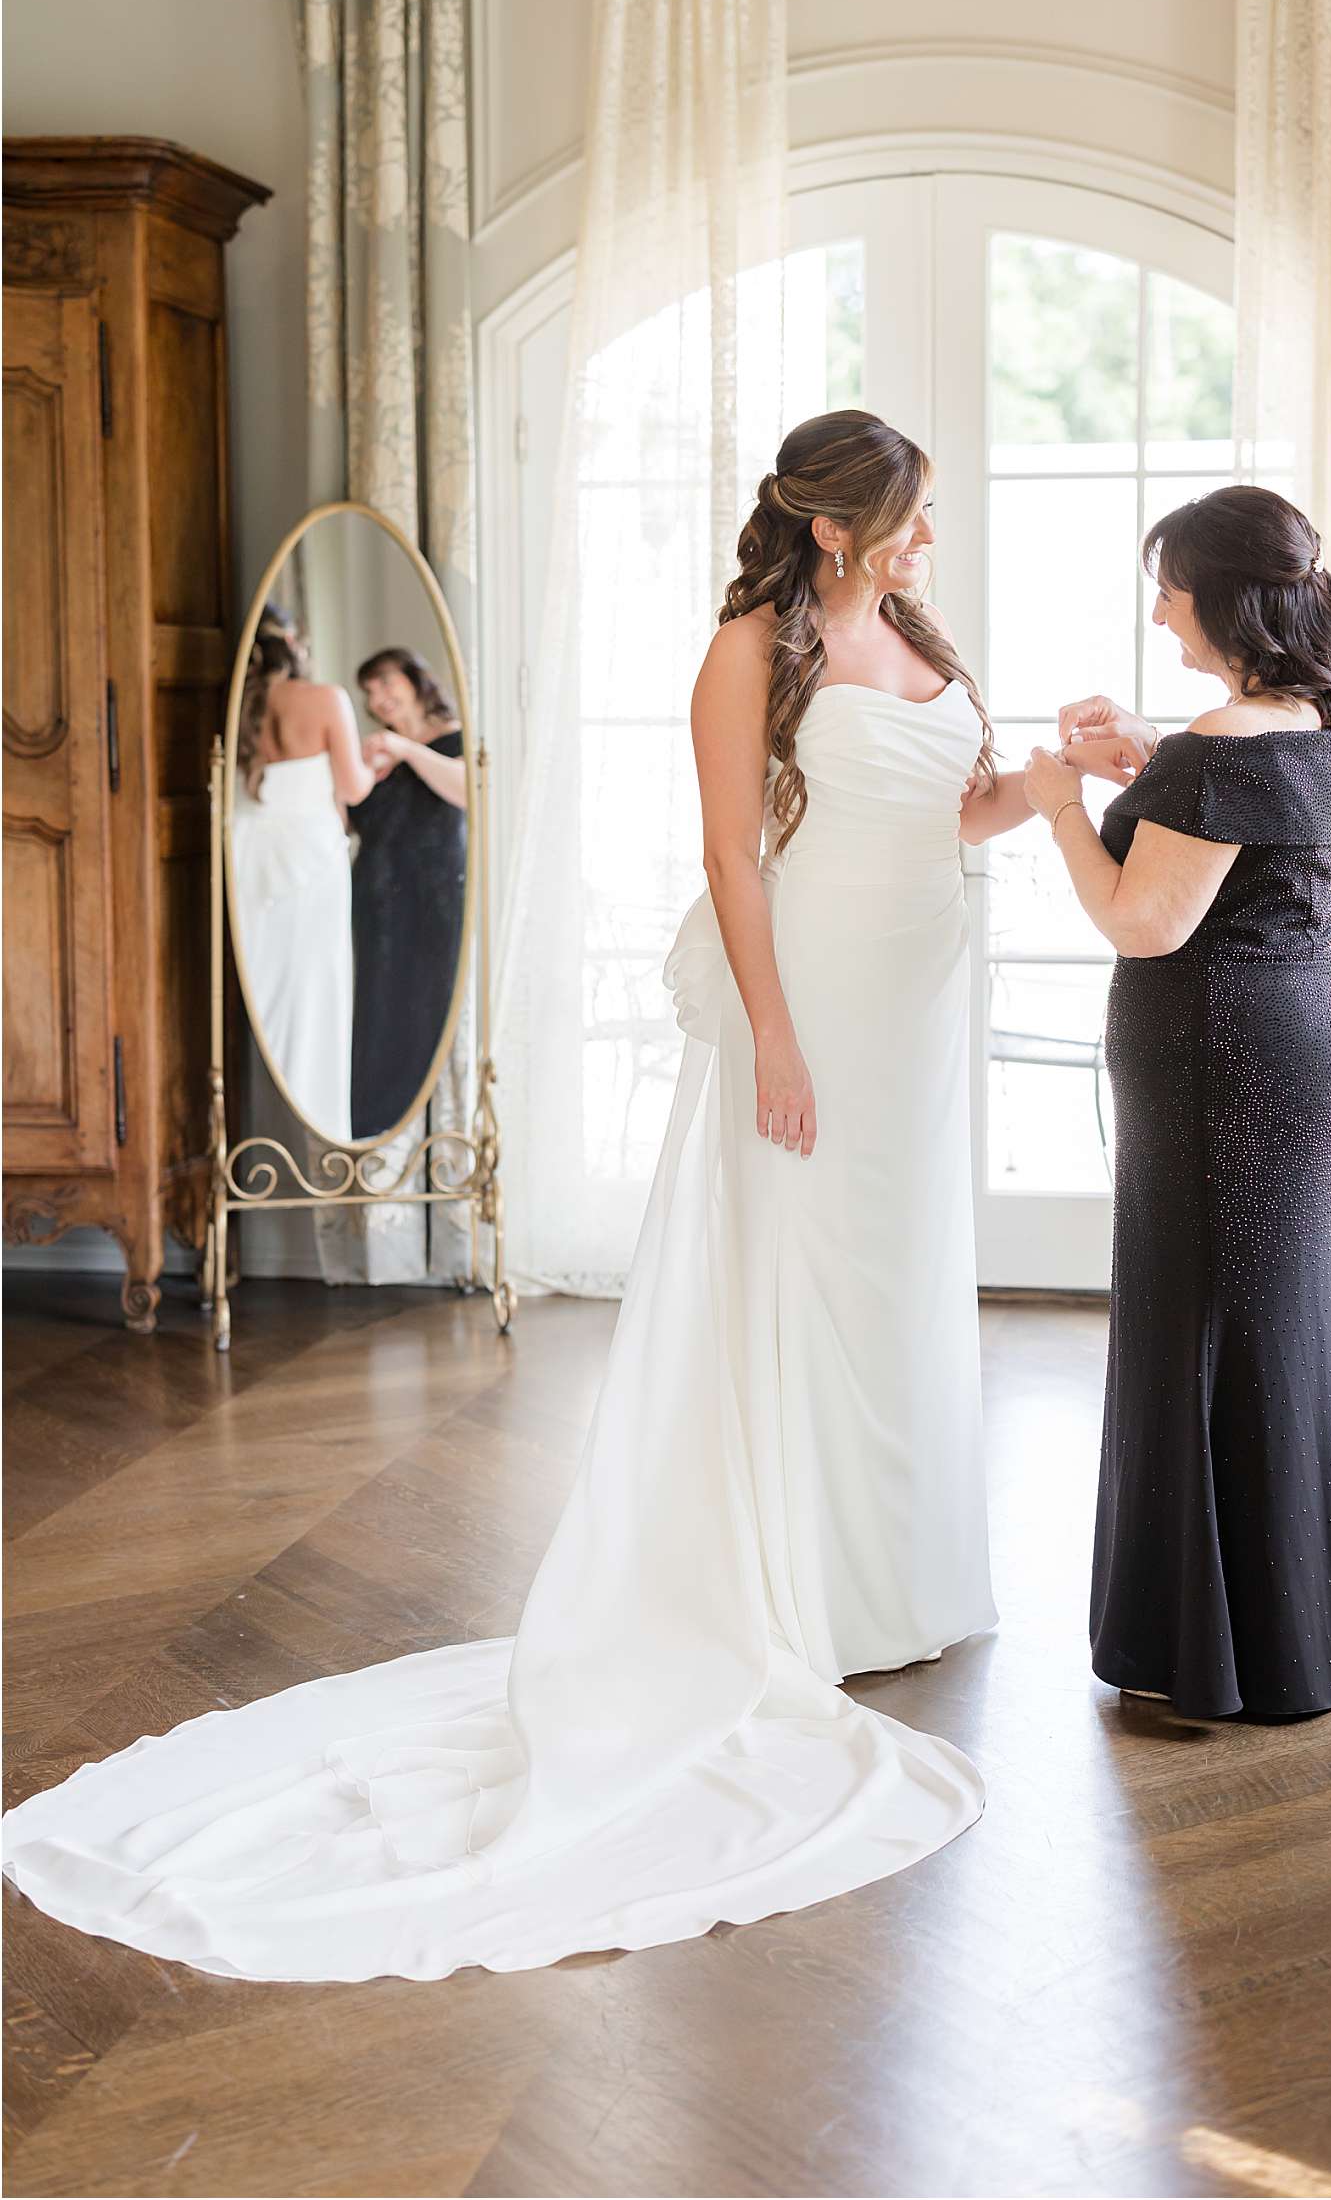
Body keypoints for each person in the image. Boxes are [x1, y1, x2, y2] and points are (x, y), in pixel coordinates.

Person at [1, 410, 1094, 1984]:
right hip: (817, 1002)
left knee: (899, 1275)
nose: (937, 538)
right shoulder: (746, 650)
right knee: (802, 1279)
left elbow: (959, 804)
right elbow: (731, 856)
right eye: (914, 517)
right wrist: (773, 1035)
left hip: (920, 1001)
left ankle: (896, 1572)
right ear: (840, 528)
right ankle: (794, 1592)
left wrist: (1053, 778)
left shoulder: (915, 626)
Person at [1022, 484, 1331, 1720]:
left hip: (1223, 1063)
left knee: (1202, 1326)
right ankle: (1302, 1634)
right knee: (1278, 1322)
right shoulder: (1316, 717)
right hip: (1307, 1037)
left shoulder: (1220, 742)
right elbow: (1234, 811)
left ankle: (1215, 1654)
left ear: (1223, 598)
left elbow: (1143, 921)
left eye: (1169, 591)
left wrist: (1059, 808)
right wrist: (1149, 751)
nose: (1155, 611)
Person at [229, 607, 373, 1145]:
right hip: (310, 860)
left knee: (262, 983)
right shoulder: (325, 699)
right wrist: (377, 763)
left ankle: (267, 1129)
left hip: (249, 851)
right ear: (293, 642)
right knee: (317, 987)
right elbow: (354, 787)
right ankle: (320, 1125)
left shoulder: (239, 706)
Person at [346, 648, 469, 1139]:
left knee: (428, 1008)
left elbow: (469, 792)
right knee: (378, 1013)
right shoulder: (375, 753)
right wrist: (358, 774)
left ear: (414, 680)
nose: (378, 698)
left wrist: (408, 752)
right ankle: (377, 1135)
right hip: (377, 902)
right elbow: (352, 822)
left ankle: (431, 1133)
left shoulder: (456, 737)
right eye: (369, 692)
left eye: (384, 683)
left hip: (435, 896)